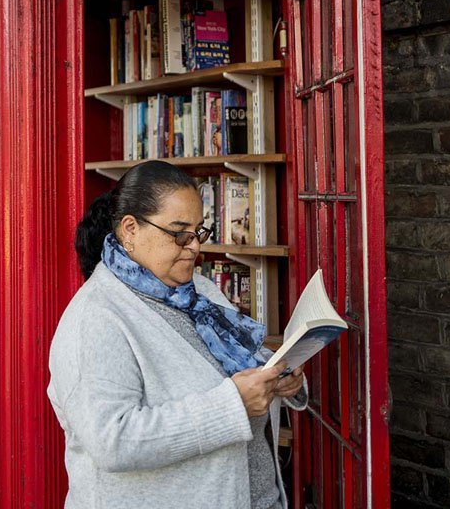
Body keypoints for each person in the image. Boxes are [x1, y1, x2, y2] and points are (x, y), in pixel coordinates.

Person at [47, 161, 308, 509]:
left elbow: (237, 368)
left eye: (199, 231)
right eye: (178, 232)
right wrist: (231, 406)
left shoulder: (201, 292)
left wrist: (279, 379)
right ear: (130, 230)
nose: (194, 246)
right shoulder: (95, 318)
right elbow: (112, 440)